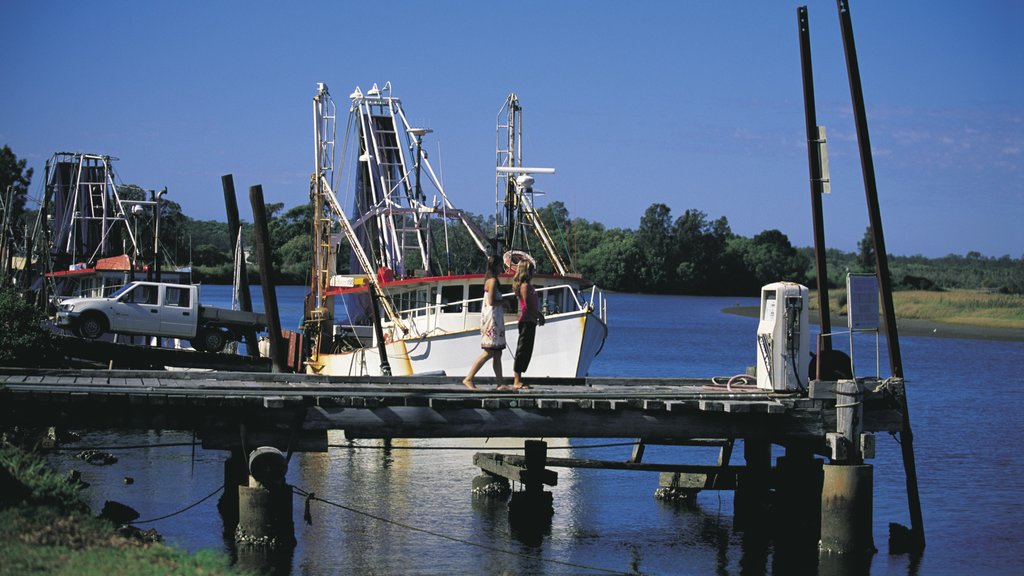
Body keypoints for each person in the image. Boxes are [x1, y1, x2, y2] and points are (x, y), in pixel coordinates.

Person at [463, 257, 507, 390]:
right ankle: (469, 378)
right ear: (496, 266)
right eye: (500, 266)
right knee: (489, 352)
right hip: (492, 319)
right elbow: (491, 301)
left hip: (495, 319)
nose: (502, 268)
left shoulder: (491, 280)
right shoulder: (492, 281)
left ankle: (500, 383)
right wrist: (505, 302)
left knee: (497, 353)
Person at [512, 259, 543, 390]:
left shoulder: (529, 286)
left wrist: (537, 316)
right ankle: (516, 380)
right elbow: (528, 306)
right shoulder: (524, 286)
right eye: (531, 269)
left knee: (527, 350)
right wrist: (538, 316)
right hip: (526, 321)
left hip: (530, 321)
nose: (533, 272)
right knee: (522, 349)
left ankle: (520, 378)